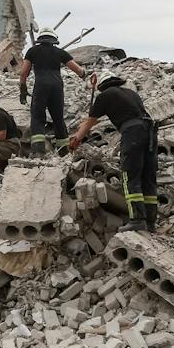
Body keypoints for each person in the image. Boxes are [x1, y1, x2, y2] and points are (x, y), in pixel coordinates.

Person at [69, 75, 158, 231]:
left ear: (101, 86)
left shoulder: (104, 96)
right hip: (149, 132)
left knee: (130, 176)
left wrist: (76, 139)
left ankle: (137, 220)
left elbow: (90, 121)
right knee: (147, 176)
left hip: (132, 133)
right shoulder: (131, 93)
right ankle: (150, 222)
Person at [17, 32, 88, 154]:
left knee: (37, 118)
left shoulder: (32, 51)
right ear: (54, 40)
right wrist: (84, 74)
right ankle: (63, 151)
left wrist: (23, 89)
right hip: (57, 87)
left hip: (40, 87)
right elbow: (78, 70)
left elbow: (23, 73)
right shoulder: (59, 52)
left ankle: (38, 152)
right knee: (58, 118)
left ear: (40, 39)